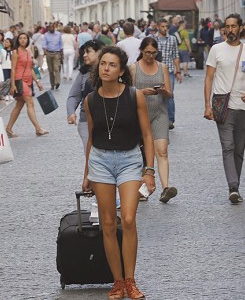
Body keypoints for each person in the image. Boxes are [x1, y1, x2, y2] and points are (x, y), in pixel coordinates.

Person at [81, 46, 156, 300]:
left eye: (112, 65)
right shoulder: (90, 100)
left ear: (121, 71)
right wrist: (86, 173)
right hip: (100, 161)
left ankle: (131, 281)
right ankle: (118, 282)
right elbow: (91, 138)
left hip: (129, 160)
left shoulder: (134, 96)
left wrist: (149, 171)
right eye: (103, 64)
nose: (106, 68)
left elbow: (147, 134)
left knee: (128, 219)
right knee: (108, 224)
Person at [204, 14, 245, 204]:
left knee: (239, 149)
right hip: (223, 106)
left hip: (244, 106)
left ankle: (235, 183)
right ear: (223, 29)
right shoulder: (216, 49)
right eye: (227, 26)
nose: (230, 30)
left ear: (240, 28)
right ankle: (233, 187)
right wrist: (207, 105)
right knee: (228, 146)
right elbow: (209, 78)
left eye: (234, 26)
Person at [129, 37, 176, 203]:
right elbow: (127, 93)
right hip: (139, 115)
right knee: (141, 154)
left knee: (162, 150)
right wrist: (142, 92)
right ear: (142, 51)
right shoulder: (133, 68)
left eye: (154, 53)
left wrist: (163, 91)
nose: (150, 56)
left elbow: (170, 94)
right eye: (147, 52)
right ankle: (143, 190)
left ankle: (165, 188)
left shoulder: (162, 67)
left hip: (159, 113)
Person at [6, 33, 48, 137]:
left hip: (28, 80)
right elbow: (13, 69)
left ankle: (8, 129)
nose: (23, 40)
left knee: (19, 105)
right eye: (20, 38)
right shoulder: (15, 52)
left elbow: (31, 68)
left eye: (25, 38)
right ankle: (38, 129)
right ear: (18, 40)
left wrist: (37, 82)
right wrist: (13, 84)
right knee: (30, 103)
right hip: (19, 80)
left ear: (27, 40)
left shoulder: (28, 51)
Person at [67, 40, 104, 150]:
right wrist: (71, 112)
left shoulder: (109, 70)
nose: (84, 55)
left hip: (107, 121)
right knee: (91, 154)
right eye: (84, 52)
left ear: (99, 52)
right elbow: (74, 96)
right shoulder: (83, 73)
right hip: (86, 121)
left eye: (88, 52)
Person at [155, 18, 182, 130]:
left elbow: (175, 55)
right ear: (158, 27)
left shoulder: (172, 39)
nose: (165, 28)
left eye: (166, 26)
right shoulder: (152, 39)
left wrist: (178, 71)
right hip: (156, 70)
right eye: (162, 26)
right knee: (156, 95)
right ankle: (157, 118)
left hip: (169, 70)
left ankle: (170, 119)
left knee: (169, 95)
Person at [43, 23, 64, 90]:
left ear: (54, 28)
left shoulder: (58, 34)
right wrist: (45, 52)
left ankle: (57, 82)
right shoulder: (46, 35)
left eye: (52, 27)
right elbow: (44, 44)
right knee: (51, 70)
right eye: (50, 28)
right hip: (49, 53)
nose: (51, 29)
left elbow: (61, 44)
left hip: (56, 53)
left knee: (56, 68)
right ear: (48, 28)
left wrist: (61, 53)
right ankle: (52, 84)